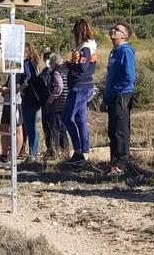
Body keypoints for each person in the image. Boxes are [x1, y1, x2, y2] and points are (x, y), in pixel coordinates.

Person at [62, 19, 98, 164]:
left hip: (80, 88)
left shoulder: (85, 49)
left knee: (66, 117)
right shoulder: (88, 47)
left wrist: (70, 65)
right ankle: (84, 151)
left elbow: (82, 68)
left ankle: (78, 150)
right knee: (80, 119)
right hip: (83, 86)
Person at [104, 23, 137, 174]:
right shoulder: (114, 52)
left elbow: (129, 77)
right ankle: (114, 163)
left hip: (122, 95)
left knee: (120, 130)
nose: (113, 31)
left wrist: (116, 91)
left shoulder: (126, 51)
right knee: (112, 130)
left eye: (117, 30)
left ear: (124, 35)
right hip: (112, 96)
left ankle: (122, 164)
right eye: (113, 28)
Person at [41, 52, 69, 159]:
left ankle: (54, 152)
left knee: (54, 129)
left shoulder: (56, 72)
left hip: (56, 105)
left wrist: (51, 98)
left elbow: (59, 87)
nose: (50, 65)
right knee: (63, 129)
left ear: (54, 63)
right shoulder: (67, 70)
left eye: (51, 62)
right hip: (66, 104)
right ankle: (65, 150)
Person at [20, 43, 44, 161]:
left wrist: (21, 88)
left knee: (30, 126)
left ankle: (33, 153)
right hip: (34, 99)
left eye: (24, 51)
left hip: (29, 98)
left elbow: (28, 79)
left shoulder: (27, 64)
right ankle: (33, 152)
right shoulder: (33, 63)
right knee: (30, 126)